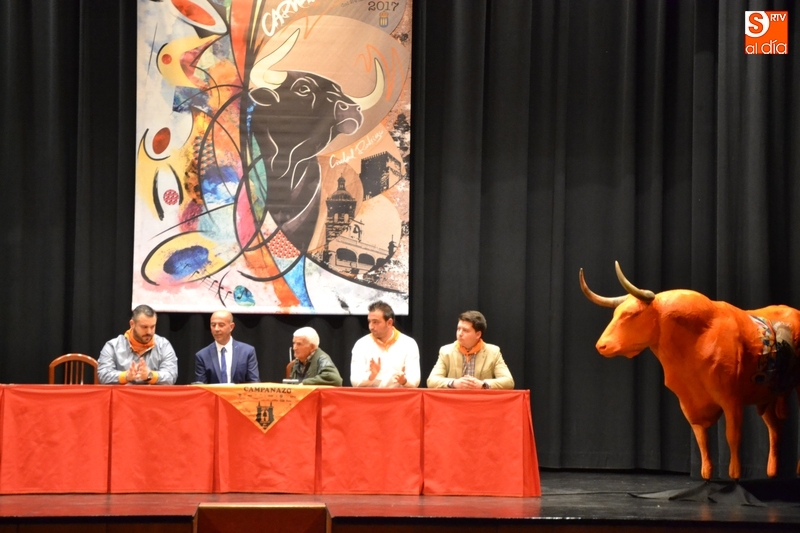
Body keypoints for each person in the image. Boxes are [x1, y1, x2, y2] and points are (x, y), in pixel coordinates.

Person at [427, 310, 514, 389]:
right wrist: (453, 383)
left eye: (465, 330)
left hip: (480, 400)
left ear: (478, 334)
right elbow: (431, 380)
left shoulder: (493, 352)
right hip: (454, 400)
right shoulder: (446, 351)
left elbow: (509, 382)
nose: (460, 333)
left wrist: (483, 384)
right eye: (458, 329)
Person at [98, 304, 178, 385]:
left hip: (151, 393)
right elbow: (103, 375)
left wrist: (150, 375)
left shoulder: (164, 346)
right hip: (124, 393)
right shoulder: (112, 346)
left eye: (152, 327)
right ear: (132, 324)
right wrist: (126, 376)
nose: (149, 332)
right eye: (144, 327)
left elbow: (171, 376)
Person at [350, 301, 420, 388]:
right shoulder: (361, 344)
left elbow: (415, 380)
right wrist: (372, 376)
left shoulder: (409, 344)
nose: (371, 327)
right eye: (369, 322)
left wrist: (404, 381)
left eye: (375, 322)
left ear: (389, 323)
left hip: (398, 395)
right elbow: (355, 381)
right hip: (371, 395)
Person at [194, 310, 260, 384]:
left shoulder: (247, 352)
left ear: (231, 327)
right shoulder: (202, 356)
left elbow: (254, 384)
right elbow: (201, 388)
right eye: (213, 325)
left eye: (221, 325)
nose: (216, 329)